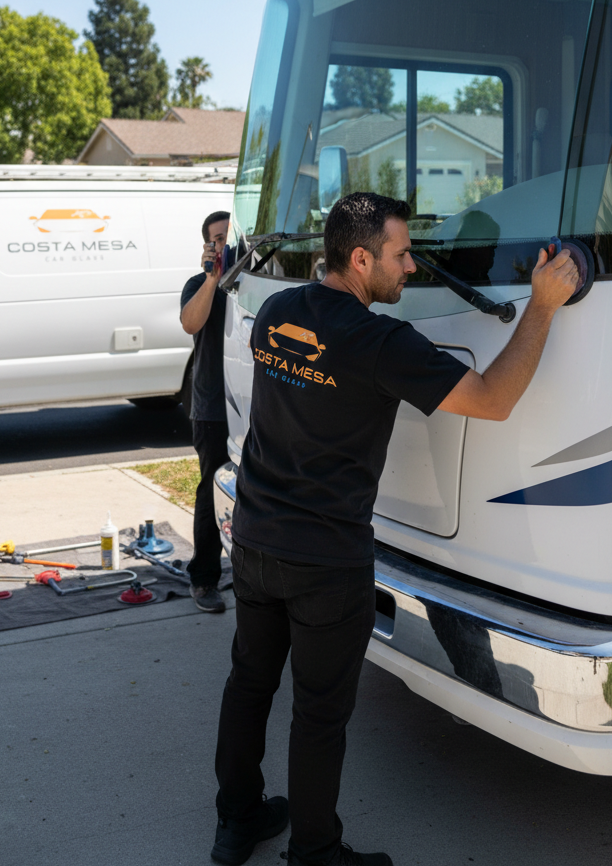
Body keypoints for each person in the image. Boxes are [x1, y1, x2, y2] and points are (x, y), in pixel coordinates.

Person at [210, 193, 578, 866]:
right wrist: (544, 307)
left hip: (257, 541)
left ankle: (235, 823)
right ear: (359, 258)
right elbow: (492, 400)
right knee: (319, 715)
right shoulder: (380, 343)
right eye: (401, 253)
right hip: (325, 560)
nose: (411, 267)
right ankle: (315, 852)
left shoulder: (277, 312)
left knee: (249, 683)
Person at [180, 209, 231, 614]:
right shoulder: (199, 285)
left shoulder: (257, 282)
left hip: (254, 404)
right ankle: (204, 579)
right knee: (210, 491)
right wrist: (213, 278)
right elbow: (190, 324)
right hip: (213, 408)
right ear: (207, 245)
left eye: (230, 236)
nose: (224, 243)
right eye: (217, 238)